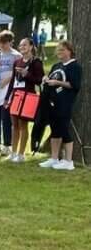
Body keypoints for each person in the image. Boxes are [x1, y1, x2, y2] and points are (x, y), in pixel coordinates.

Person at [39, 40, 82, 171]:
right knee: (55, 130)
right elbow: (50, 77)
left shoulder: (75, 67)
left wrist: (57, 82)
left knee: (64, 129)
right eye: (58, 50)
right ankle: (54, 157)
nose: (59, 52)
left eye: (62, 50)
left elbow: (74, 85)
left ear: (69, 51)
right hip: (52, 102)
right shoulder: (57, 65)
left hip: (65, 102)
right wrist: (46, 79)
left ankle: (69, 161)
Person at [7, 37, 44, 162]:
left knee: (23, 125)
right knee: (14, 125)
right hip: (16, 95)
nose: (22, 47)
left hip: (28, 96)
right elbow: (12, 80)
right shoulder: (17, 62)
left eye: (25, 45)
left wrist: (26, 74)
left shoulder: (36, 62)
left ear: (31, 46)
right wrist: (8, 97)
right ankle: (13, 152)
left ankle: (21, 154)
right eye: (20, 45)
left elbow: (39, 80)